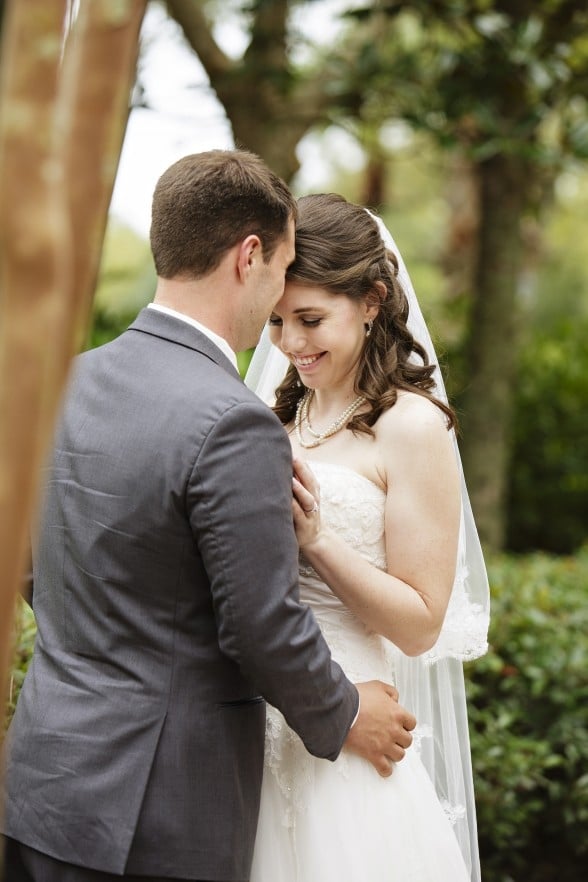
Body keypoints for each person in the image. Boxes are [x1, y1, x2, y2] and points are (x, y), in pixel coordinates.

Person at [1, 152, 417, 882]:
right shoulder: (232, 421)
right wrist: (348, 712)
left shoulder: (68, 378)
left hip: (42, 784)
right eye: (283, 270)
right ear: (249, 256)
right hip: (158, 813)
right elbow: (259, 623)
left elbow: (36, 561)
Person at [244, 193, 490, 882]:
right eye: (276, 321)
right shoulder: (268, 422)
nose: (291, 344)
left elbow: (419, 624)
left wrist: (319, 542)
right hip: (252, 735)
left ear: (373, 301)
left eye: (311, 319)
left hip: (354, 736)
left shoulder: (411, 428)